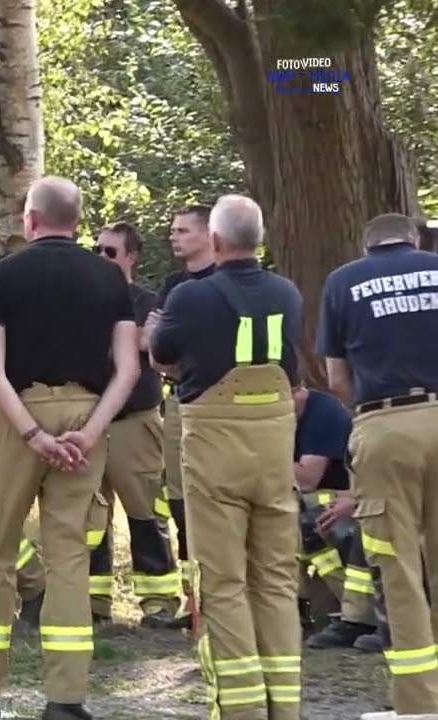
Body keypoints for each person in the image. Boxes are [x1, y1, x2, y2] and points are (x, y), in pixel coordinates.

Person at [0, 176, 140, 720]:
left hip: (18, 414)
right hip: (86, 417)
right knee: (70, 556)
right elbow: (128, 368)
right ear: (77, 220)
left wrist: (31, 433)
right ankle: (67, 700)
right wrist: (91, 430)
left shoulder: (3, 275)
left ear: (29, 220)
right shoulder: (109, 277)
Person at [149, 194, 303, 720]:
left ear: (214, 242)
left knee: (223, 580)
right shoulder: (287, 292)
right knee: (277, 578)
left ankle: (241, 710)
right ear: (258, 240)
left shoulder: (191, 297)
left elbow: (162, 354)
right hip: (274, 445)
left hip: (215, 443)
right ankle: (285, 705)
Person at [316, 212, 438, 715]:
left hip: (385, 427)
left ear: (367, 246)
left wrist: (367, 418)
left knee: (400, 567)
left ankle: (417, 704)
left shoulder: (342, 282)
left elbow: (336, 374)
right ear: (412, 239)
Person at [86, 223, 181, 628]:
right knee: (90, 516)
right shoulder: (84, 299)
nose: (101, 257)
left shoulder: (145, 299)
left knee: (144, 513)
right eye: (96, 249)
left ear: (130, 256)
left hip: (133, 421)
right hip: (88, 419)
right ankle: (94, 601)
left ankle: (158, 599)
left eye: (109, 251)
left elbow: (147, 342)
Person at [149, 204, 216, 577]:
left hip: (222, 405)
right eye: (173, 230)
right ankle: (194, 595)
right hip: (177, 398)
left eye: (183, 231)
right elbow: (154, 347)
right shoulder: (174, 285)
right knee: (178, 494)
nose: (173, 236)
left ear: (209, 234)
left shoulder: (225, 281)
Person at [291, 380, 379, 649]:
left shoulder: (323, 413)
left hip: (348, 497)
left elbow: (307, 478)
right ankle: (307, 609)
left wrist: (263, 449)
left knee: (311, 512)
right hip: (357, 494)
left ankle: (362, 619)